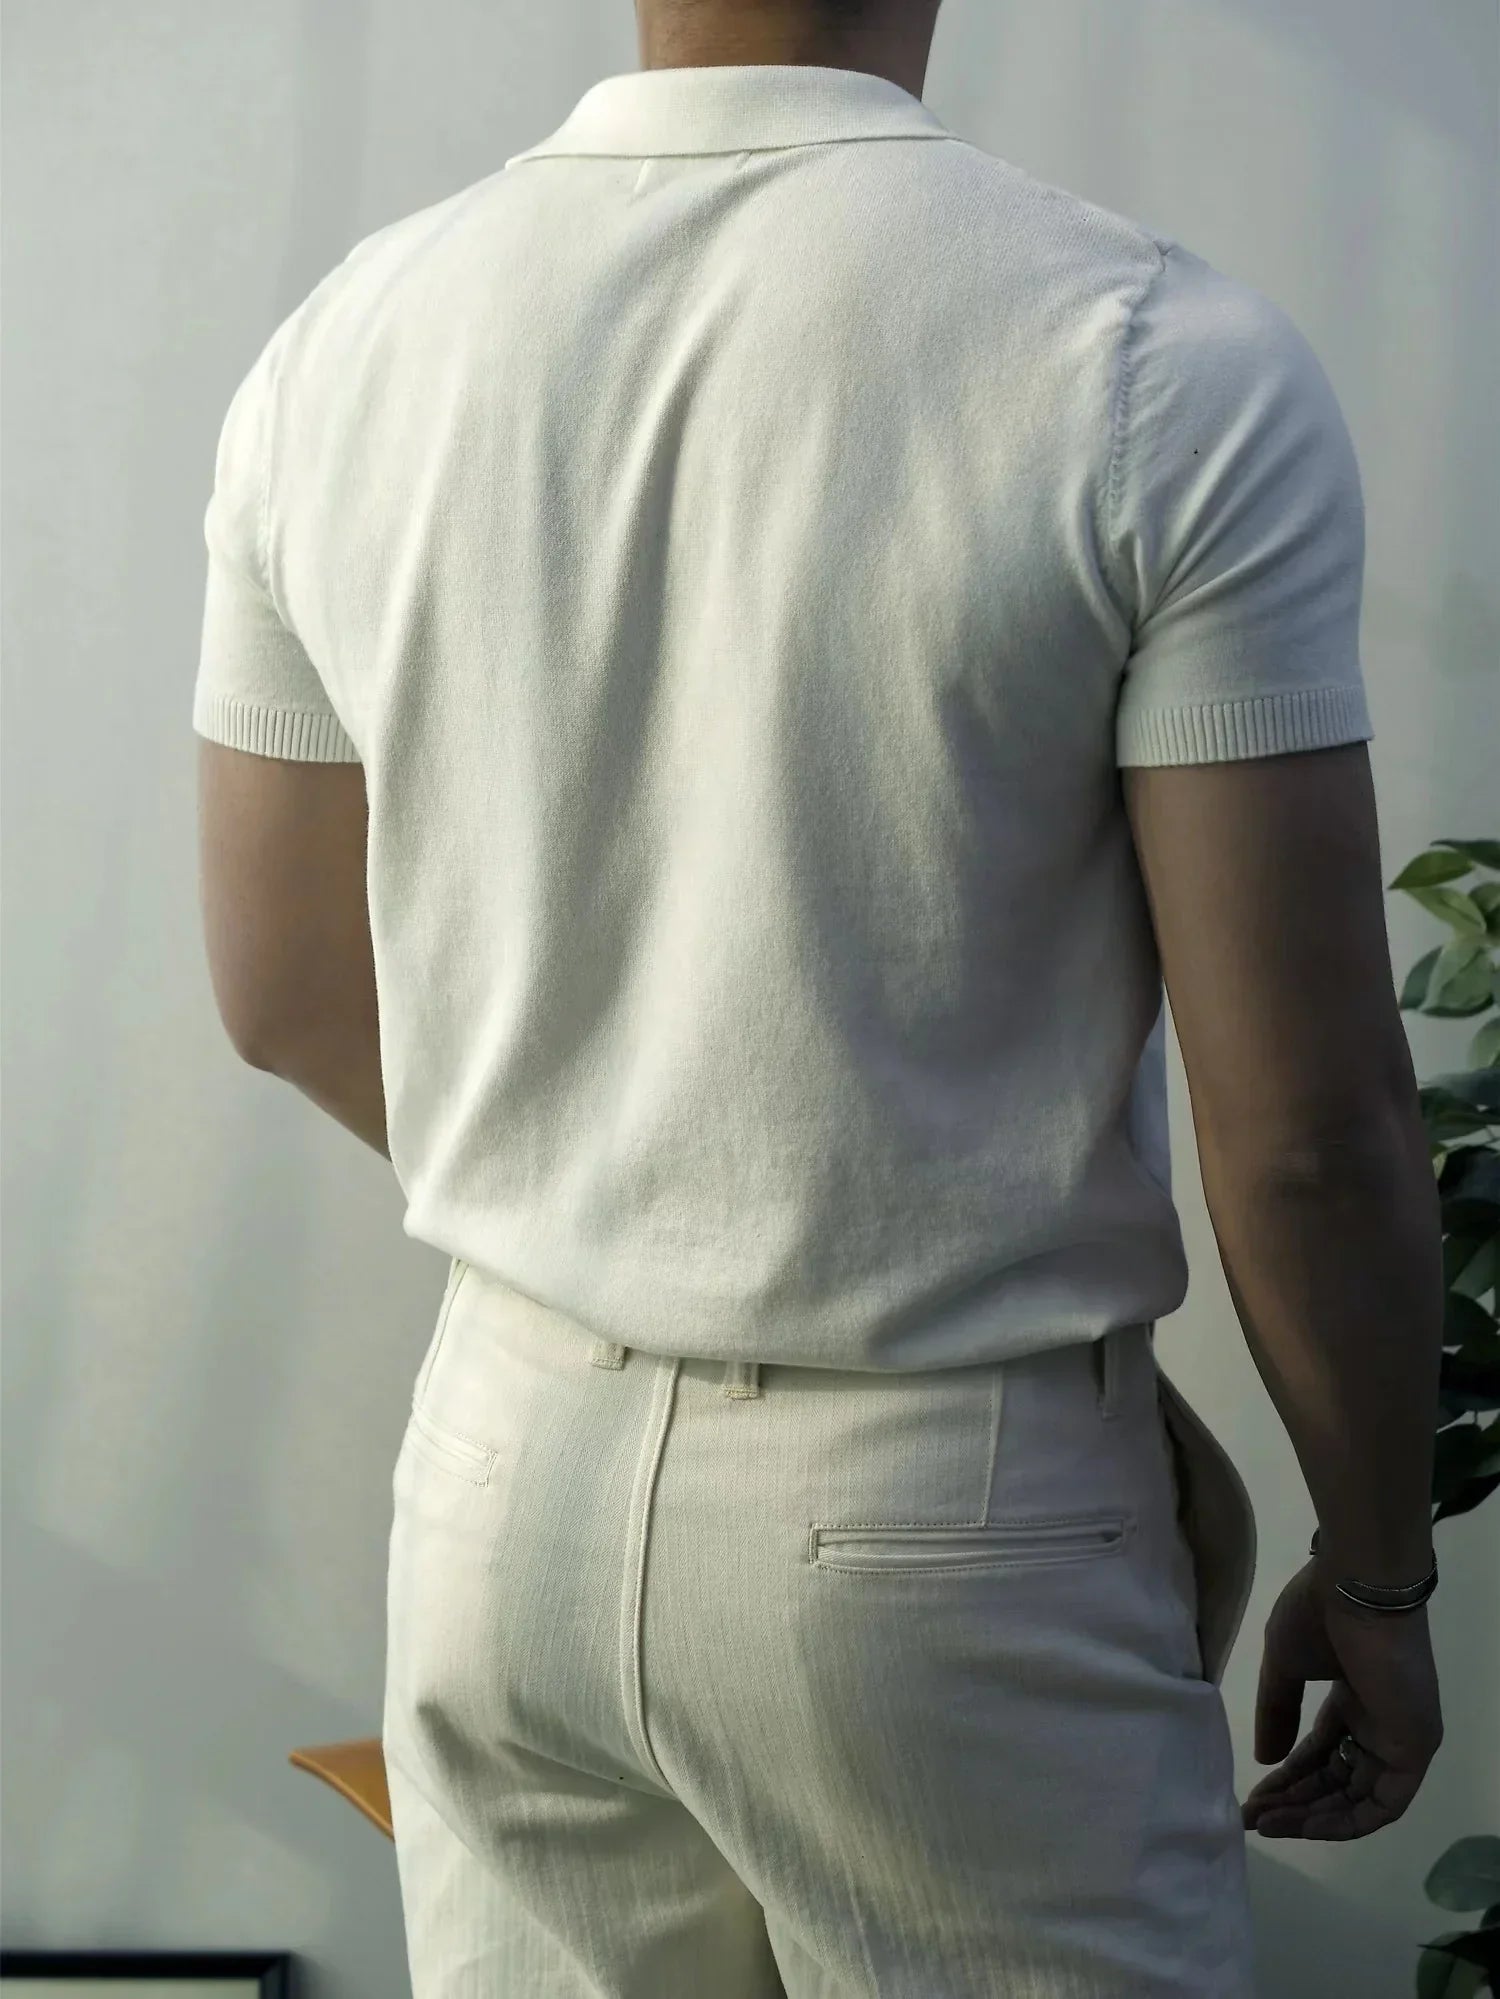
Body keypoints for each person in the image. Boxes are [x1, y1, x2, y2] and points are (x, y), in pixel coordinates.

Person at [193, 0, 1445, 1991]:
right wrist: (1377, 1571)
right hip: (942, 1503)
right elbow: (1302, 1134)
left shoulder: (342, 344)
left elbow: (279, 990)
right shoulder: (1156, 364)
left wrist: (633, 1204)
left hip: (499, 1480)